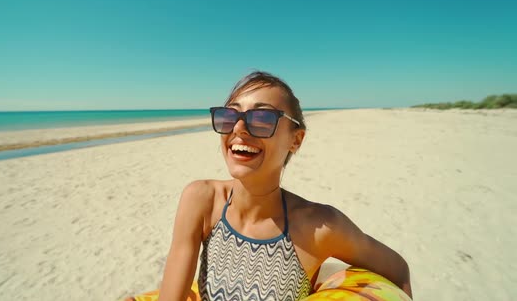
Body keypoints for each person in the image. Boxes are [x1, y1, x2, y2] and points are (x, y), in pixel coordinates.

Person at [158, 71, 412, 300]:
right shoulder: (202, 200)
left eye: (261, 118)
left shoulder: (318, 227)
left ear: (296, 140)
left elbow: (397, 269)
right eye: (229, 116)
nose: (238, 128)